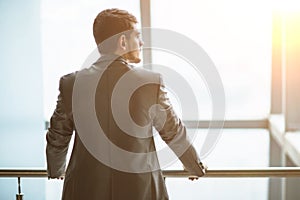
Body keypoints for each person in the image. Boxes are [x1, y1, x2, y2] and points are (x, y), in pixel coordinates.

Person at [46, 8, 206, 200]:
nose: (142, 43)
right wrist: (194, 166)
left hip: (84, 188)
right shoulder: (150, 82)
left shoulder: (71, 83)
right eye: (137, 36)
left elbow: (58, 135)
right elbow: (172, 131)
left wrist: (56, 169)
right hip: (141, 190)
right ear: (123, 41)